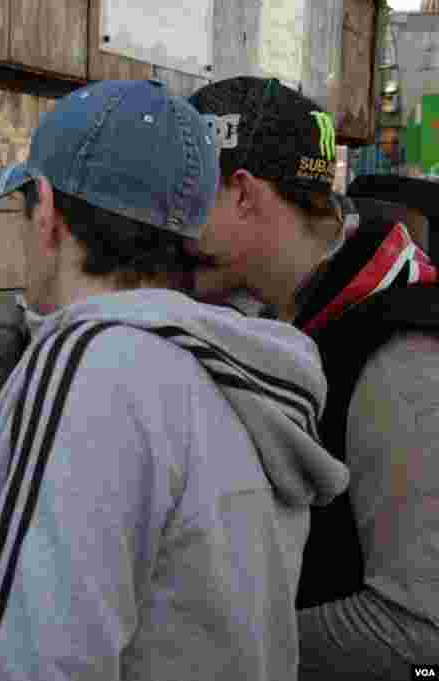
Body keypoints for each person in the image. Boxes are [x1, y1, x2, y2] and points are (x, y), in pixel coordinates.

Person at [0, 79, 348, 680]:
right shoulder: (221, 365)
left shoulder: (91, 361)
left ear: (46, 210)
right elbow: (109, 542)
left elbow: (40, 655)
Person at [188, 76, 439, 678]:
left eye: (180, 196)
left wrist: (193, 648)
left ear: (242, 194)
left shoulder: (400, 353)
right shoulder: (275, 316)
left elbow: (419, 631)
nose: (161, 225)